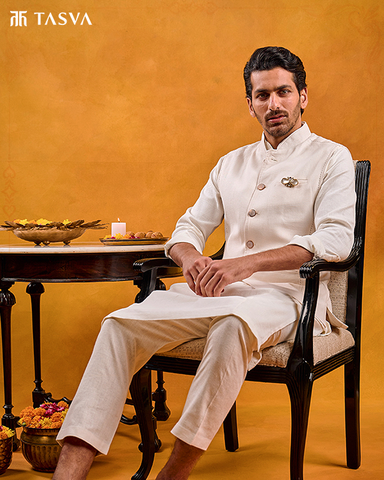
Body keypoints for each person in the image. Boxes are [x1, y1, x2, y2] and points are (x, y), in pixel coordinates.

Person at [52, 46, 355, 480]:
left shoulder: (332, 157)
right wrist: (191, 256)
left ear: (303, 96)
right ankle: (69, 473)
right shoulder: (230, 164)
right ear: (249, 103)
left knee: (232, 328)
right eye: (263, 95)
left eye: (284, 92)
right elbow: (187, 228)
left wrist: (245, 264)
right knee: (118, 324)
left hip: (290, 297)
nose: (274, 104)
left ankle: (173, 474)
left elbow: (337, 240)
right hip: (221, 293)